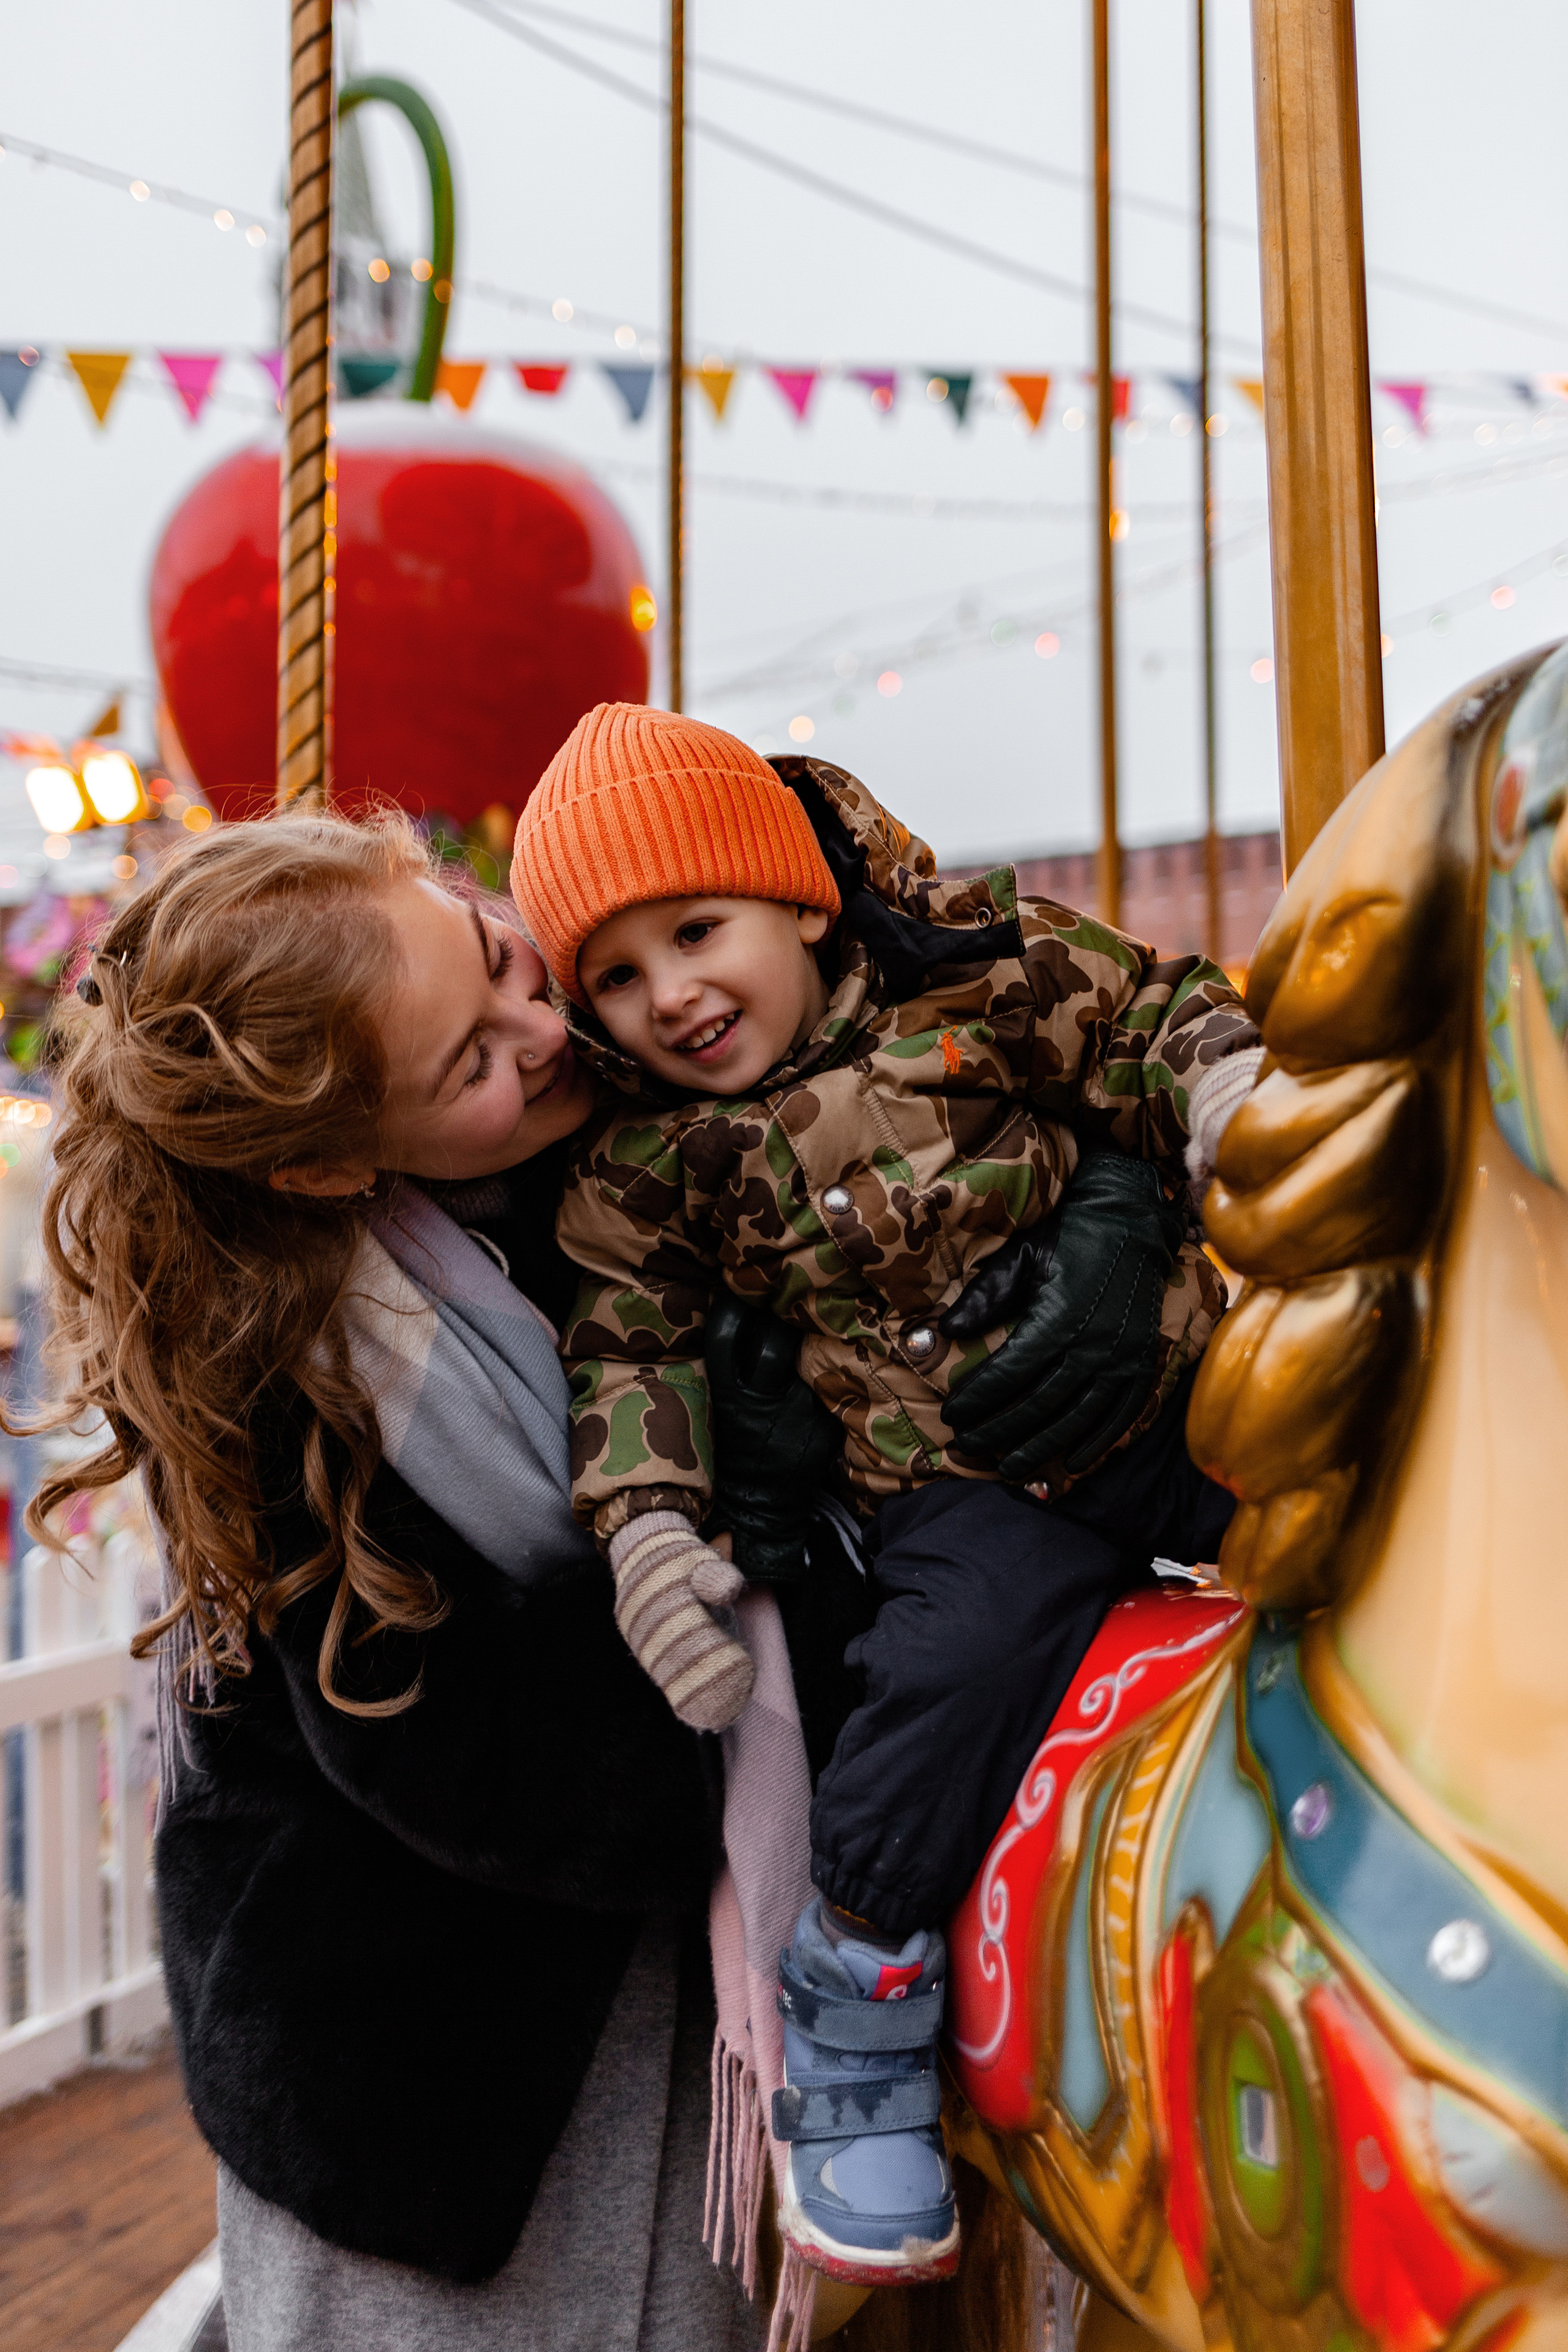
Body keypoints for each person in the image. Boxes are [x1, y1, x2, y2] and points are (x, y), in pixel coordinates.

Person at [18, 806, 1147, 2351]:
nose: (546, 1028)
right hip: (443, 2068)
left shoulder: (653, 1088)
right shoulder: (286, 1389)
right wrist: (762, 1525)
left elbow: (982, 1032)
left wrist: (1110, 1206)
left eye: (499, 958)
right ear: (330, 1160)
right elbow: (512, 1776)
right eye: (468, 1062)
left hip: (662, 1987)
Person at [510, 703, 1262, 2289]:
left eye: (696, 931)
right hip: (960, 1482)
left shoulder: (979, 974)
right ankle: (856, 1995)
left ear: (798, 900)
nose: (672, 998)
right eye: (620, 980)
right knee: (948, 1671)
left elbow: (1150, 1013)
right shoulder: (651, 1168)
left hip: (1172, 1387)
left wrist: (1221, 1106)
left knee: (1366, 1471)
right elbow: (624, 1351)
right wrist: (648, 1529)